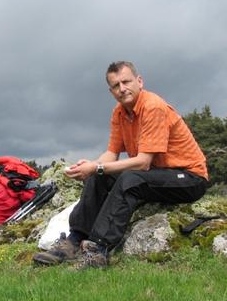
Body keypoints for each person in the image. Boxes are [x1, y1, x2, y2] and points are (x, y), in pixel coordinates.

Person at [33, 61, 209, 269]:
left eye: (126, 82)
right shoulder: (119, 112)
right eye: (116, 85)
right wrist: (92, 166)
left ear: (139, 81)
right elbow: (111, 153)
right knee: (99, 175)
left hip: (189, 178)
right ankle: (74, 240)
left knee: (129, 179)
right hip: (158, 173)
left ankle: (98, 250)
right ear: (111, 91)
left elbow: (143, 163)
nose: (122, 88)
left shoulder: (153, 107)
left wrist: (97, 167)